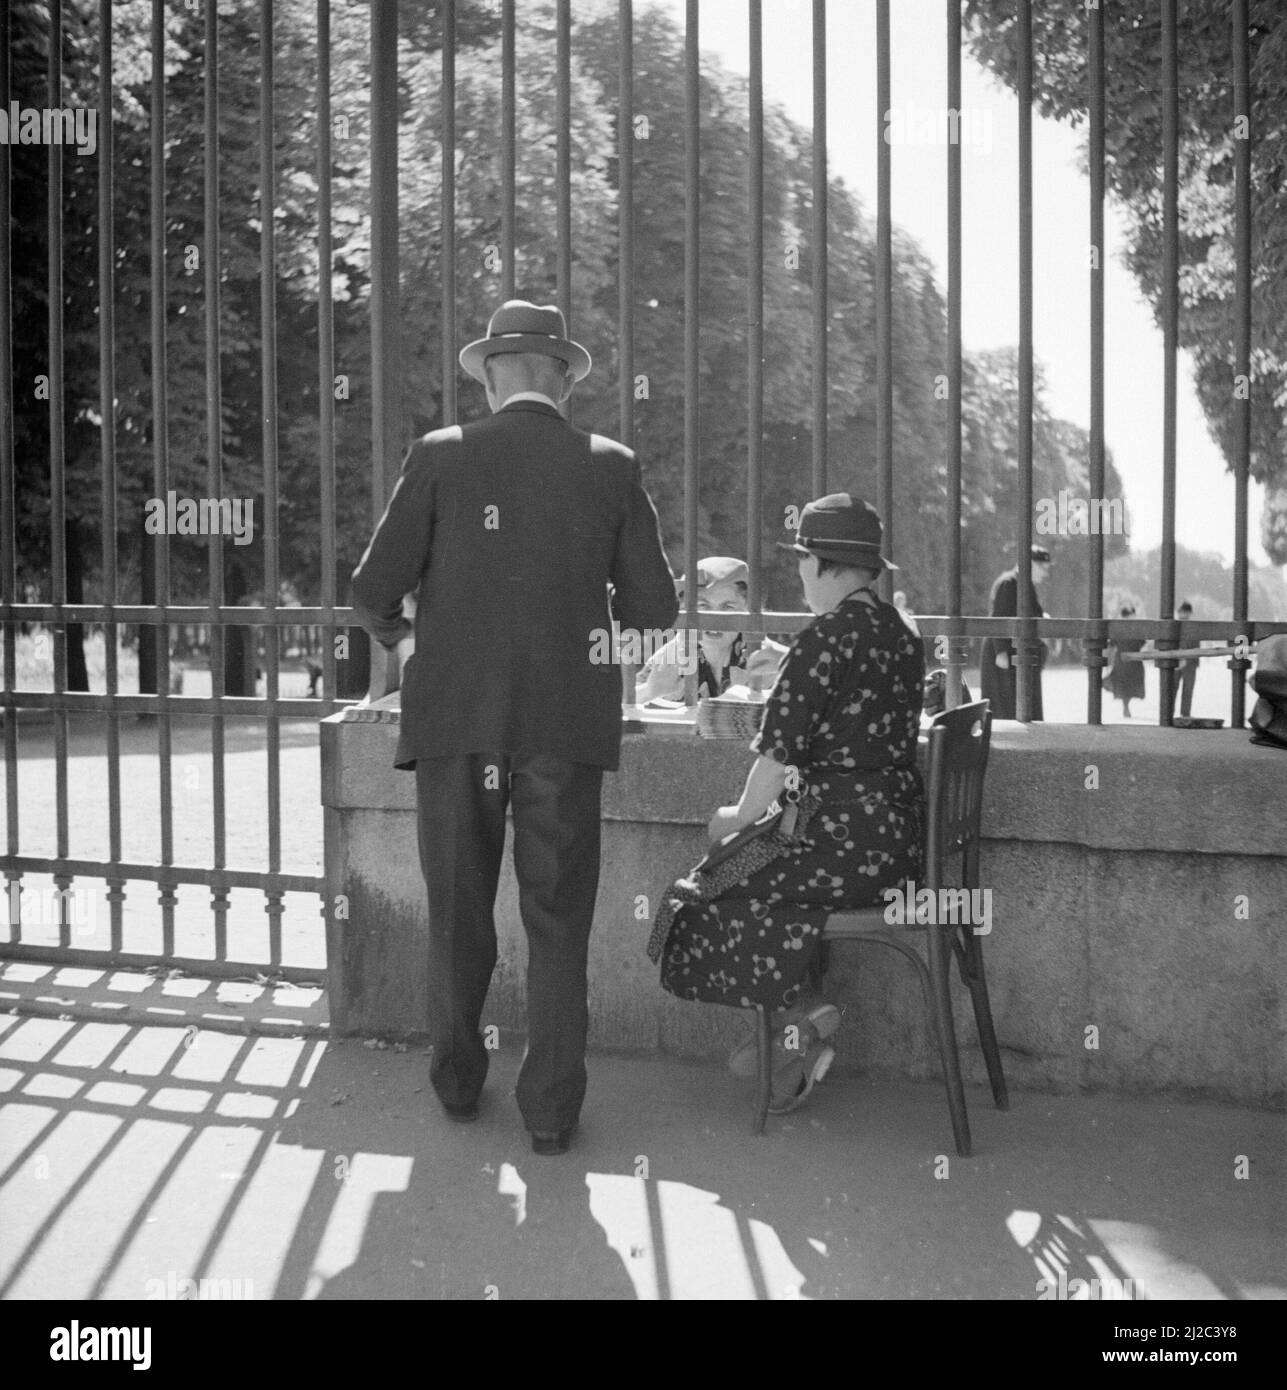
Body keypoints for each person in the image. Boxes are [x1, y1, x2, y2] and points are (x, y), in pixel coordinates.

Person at [351, 298, 676, 1156]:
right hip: (564, 724)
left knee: (458, 908)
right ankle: (551, 1114)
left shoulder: (439, 456)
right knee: (558, 919)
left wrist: (416, 640)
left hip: (455, 719)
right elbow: (655, 608)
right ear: (563, 377)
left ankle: (459, 1086)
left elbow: (372, 588)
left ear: (491, 374)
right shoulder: (611, 466)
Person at [647, 494, 924, 1113]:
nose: (799, 575)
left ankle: (795, 1019)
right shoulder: (904, 635)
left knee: (707, 883)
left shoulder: (825, 639)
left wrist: (735, 819)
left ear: (823, 564)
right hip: (898, 847)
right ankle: (785, 1038)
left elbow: (776, 758)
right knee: (753, 871)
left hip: (836, 845)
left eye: (802, 561)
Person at [633, 556, 787, 702]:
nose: (715, 618)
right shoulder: (673, 653)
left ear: (747, 609)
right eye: (703, 605)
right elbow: (621, 706)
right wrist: (650, 691)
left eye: (727, 607)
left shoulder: (764, 656)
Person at [980, 544, 1052, 720]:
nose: (1045, 573)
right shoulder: (1009, 583)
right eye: (1042, 567)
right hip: (1004, 655)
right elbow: (998, 618)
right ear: (1031, 564)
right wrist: (1001, 652)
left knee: (1018, 706)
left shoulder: (1022, 584)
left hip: (1017, 655)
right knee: (1004, 707)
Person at [1102, 604, 1145, 718]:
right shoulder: (1119, 628)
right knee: (1124, 683)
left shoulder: (1136, 628)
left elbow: (1142, 642)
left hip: (1134, 659)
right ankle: (1125, 706)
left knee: (1131, 683)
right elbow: (1112, 644)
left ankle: (1126, 705)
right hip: (1122, 659)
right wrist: (1108, 659)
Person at [1168, 600, 1199, 721]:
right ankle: (1181, 713)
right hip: (1181, 661)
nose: (1184, 615)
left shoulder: (1180, 625)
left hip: (1187, 661)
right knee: (1177, 688)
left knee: (1183, 688)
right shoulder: (1190, 626)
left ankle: (1180, 713)